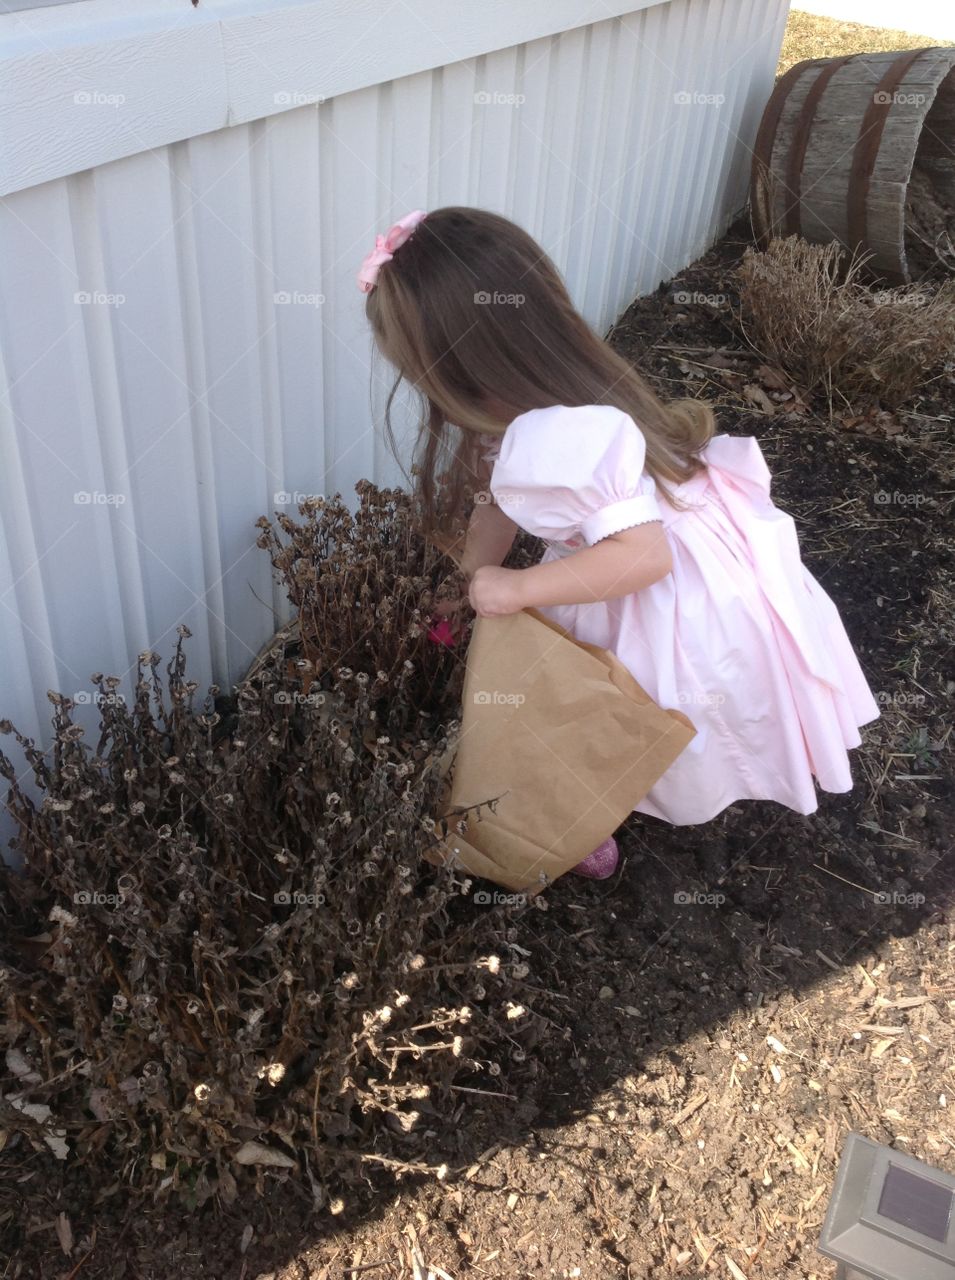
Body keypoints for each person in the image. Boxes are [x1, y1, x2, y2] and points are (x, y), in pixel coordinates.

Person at [356, 207, 880, 878]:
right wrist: (468, 576)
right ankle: (594, 800)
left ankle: (594, 808)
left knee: (626, 701)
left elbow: (642, 558)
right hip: (652, 558)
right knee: (596, 694)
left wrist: (515, 588)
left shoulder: (567, 434)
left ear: (463, 371)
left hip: (659, 589)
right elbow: (496, 496)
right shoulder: (537, 393)